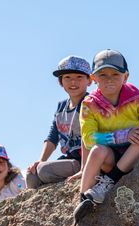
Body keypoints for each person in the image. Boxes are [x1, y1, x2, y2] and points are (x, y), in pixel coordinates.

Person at [71, 49, 139, 224]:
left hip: (137, 153)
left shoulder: (136, 98)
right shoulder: (89, 104)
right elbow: (88, 139)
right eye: (103, 74)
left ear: (126, 76)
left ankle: (108, 182)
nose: (109, 79)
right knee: (97, 150)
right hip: (111, 157)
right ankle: (83, 201)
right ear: (93, 79)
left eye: (115, 74)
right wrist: (122, 136)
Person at [26, 55, 92, 189]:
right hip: (68, 158)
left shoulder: (90, 102)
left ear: (89, 81)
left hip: (85, 159)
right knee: (32, 175)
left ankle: (80, 171)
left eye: (79, 77)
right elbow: (52, 137)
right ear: (60, 82)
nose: (73, 82)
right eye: (67, 77)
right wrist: (41, 160)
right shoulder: (61, 108)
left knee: (43, 171)